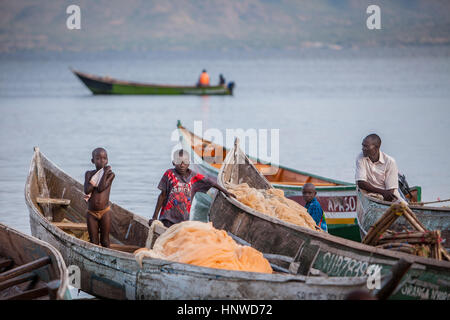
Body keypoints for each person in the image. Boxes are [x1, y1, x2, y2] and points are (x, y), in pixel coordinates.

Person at [149, 149, 235, 228]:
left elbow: (211, 182)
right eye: (179, 162)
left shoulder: (194, 177)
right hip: (167, 219)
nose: (182, 165)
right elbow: (162, 196)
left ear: (189, 163)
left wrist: (225, 192)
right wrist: (154, 217)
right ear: (173, 162)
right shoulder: (169, 174)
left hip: (183, 221)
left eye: (185, 162)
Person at [355, 134, 403, 202]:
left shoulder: (390, 162)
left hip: (390, 196)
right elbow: (361, 183)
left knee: (403, 207)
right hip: (369, 195)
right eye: (362, 145)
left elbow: (391, 190)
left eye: (366, 146)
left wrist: (385, 195)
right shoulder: (360, 157)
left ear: (376, 148)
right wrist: (382, 192)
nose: (363, 148)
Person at [84, 147, 115, 247]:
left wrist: (105, 172)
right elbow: (87, 190)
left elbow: (101, 188)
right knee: (94, 242)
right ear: (93, 161)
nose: (101, 161)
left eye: (104, 158)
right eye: (98, 158)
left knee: (105, 241)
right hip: (91, 213)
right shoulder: (89, 174)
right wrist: (93, 182)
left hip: (105, 212)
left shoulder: (110, 175)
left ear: (107, 160)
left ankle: (109, 261)